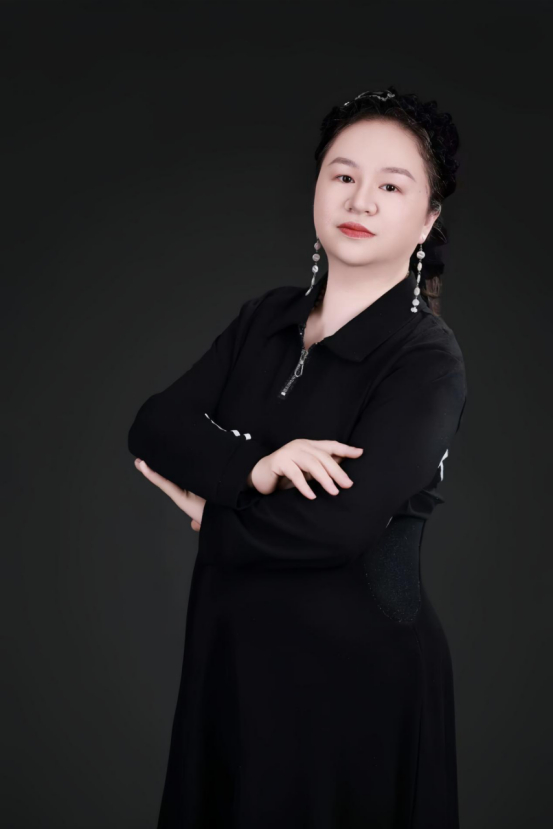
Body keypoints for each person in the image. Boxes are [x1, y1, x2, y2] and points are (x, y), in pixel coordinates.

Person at [128, 85, 468, 829]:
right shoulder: (266, 319)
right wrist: (256, 468)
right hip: (231, 662)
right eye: (343, 175)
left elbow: (338, 526)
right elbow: (156, 425)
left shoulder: (425, 359)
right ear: (318, 186)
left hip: (352, 686)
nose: (361, 199)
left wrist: (213, 513)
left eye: (391, 185)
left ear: (427, 219)